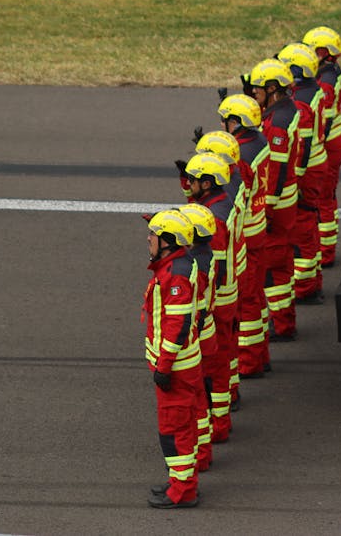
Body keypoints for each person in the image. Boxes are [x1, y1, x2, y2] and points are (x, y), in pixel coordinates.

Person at [143, 209, 201, 509]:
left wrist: (163, 367)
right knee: (181, 429)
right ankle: (181, 481)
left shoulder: (175, 275)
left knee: (173, 431)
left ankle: (182, 491)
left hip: (175, 368)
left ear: (168, 241)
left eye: (153, 234)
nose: (148, 239)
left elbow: (177, 325)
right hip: (182, 365)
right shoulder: (176, 266)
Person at [181, 155, 235, 443]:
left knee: (213, 375)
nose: (188, 185)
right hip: (221, 302)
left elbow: (216, 271)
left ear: (207, 182)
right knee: (219, 369)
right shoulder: (219, 205)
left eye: (192, 180)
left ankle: (219, 425)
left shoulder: (214, 221)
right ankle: (220, 420)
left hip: (217, 308)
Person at [216, 94, 271, 379]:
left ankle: (249, 362)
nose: (223, 124)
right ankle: (261, 353)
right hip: (259, 226)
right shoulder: (260, 142)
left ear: (236, 121)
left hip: (246, 235)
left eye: (226, 120)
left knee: (246, 300)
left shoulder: (243, 154)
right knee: (257, 295)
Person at [249, 58, 300, 342]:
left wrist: (266, 207)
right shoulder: (283, 112)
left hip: (277, 205)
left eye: (257, 89)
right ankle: (284, 318)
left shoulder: (277, 123)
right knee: (282, 265)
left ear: (271, 88)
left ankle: (281, 324)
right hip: (286, 201)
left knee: (273, 267)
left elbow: (276, 170)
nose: (253, 93)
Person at [277, 42, 327, 305]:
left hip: (307, 171)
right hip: (316, 165)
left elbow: (303, 147)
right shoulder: (312, 91)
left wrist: (294, 177)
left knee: (303, 226)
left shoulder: (302, 101)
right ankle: (312, 278)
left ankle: (305, 286)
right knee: (310, 222)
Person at [177, 201, 219, 472]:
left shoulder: (196, 262)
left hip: (199, 336)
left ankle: (201, 452)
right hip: (207, 331)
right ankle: (203, 448)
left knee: (198, 398)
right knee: (203, 394)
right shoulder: (204, 254)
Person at [302, 26, 341, 268]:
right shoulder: (328, 73)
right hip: (333, 143)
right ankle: (324, 246)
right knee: (326, 197)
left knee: (323, 199)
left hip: (329, 145)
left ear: (323, 52)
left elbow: (324, 120)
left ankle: (326, 251)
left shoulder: (327, 80)